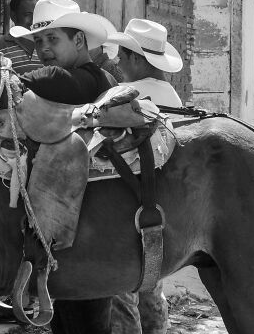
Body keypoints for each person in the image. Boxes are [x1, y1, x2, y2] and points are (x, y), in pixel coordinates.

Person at [9, 0, 117, 334]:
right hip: (75, 231)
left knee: (89, 320)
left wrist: (12, 75)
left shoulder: (92, 78)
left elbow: (61, 80)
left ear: (80, 40)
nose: (43, 48)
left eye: (53, 39)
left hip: (96, 233)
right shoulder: (67, 79)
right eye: (38, 41)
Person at [106, 18, 184, 334]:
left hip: (130, 204)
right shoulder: (173, 98)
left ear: (137, 59)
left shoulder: (127, 97)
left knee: (120, 288)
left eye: (122, 57)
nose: (117, 63)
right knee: (152, 281)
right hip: (169, 208)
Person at [0, 0, 43, 75]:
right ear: (13, 16)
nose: (33, 20)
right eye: (28, 14)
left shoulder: (46, 45)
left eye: (36, 15)